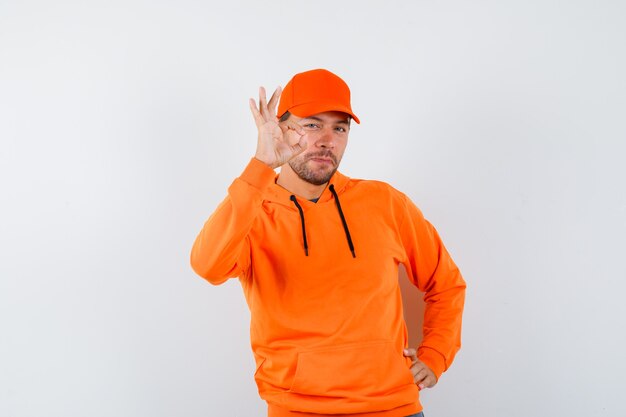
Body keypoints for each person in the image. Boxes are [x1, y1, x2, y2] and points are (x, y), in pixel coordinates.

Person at [190, 69, 466, 417]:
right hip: (298, 409)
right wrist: (260, 166)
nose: (327, 139)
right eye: (312, 125)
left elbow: (446, 283)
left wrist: (435, 355)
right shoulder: (253, 209)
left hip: (394, 407)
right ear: (282, 129)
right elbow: (206, 266)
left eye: (339, 127)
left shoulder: (384, 202)